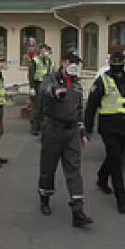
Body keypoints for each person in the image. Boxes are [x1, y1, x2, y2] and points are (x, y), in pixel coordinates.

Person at [84, 51, 125, 214]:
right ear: (110, 62)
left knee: (114, 156)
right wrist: (88, 128)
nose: (117, 63)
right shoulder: (102, 81)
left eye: (120, 61)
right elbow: (91, 106)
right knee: (117, 161)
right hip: (109, 128)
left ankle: (102, 178)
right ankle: (121, 199)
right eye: (114, 60)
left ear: (124, 62)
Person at [37, 50, 94, 227]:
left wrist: (82, 132)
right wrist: (55, 92)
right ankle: (45, 198)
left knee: (74, 170)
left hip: (71, 132)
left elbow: (79, 111)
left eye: (77, 62)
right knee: (48, 167)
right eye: (71, 61)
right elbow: (44, 89)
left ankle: (78, 211)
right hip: (53, 129)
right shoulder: (51, 78)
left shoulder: (77, 85)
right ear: (63, 62)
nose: (74, 65)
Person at [28, 43, 55, 135]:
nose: (46, 52)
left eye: (47, 51)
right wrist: (32, 88)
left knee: (45, 107)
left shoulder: (50, 61)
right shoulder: (35, 61)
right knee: (36, 107)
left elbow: (53, 73)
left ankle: (42, 126)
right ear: (40, 51)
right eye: (44, 50)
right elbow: (31, 75)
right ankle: (34, 127)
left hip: (47, 85)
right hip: (37, 84)